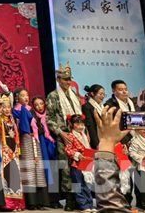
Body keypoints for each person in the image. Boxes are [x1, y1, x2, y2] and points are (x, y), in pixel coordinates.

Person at [46, 63, 81, 211]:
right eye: (65, 79)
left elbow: (80, 117)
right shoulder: (53, 96)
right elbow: (49, 119)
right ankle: (69, 200)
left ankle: (80, 199)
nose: (68, 82)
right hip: (63, 137)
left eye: (69, 79)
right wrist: (60, 132)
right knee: (66, 169)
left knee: (79, 167)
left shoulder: (75, 96)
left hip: (78, 135)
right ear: (58, 80)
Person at [13, 88, 49, 209]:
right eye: (22, 95)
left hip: (35, 139)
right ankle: (31, 202)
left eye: (27, 95)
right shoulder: (15, 110)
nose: (26, 97)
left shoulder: (31, 110)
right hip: (24, 140)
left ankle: (41, 201)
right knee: (28, 168)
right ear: (17, 98)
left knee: (38, 168)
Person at [0, 95, 25, 211]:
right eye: (3, 107)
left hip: (14, 147)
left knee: (15, 173)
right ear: (0, 108)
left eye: (8, 107)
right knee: (6, 173)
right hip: (4, 147)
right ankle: (8, 204)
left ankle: (18, 203)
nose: (6, 109)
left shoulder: (13, 119)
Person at [63, 115, 95, 212]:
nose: (80, 126)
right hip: (76, 163)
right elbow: (67, 149)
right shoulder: (71, 136)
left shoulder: (84, 135)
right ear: (72, 124)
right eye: (77, 124)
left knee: (87, 185)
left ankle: (90, 205)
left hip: (86, 162)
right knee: (78, 185)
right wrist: (77, 155)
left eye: (82, 124)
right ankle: (83, 206)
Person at [82, 85, 105, 149]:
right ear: (92, 93)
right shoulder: (86, 107)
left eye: (104, 94)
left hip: (105, 138)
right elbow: (90, 126)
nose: (103, 96)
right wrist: (96, 143)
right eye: (100, 94)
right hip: (96, 140)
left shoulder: (103, 107)